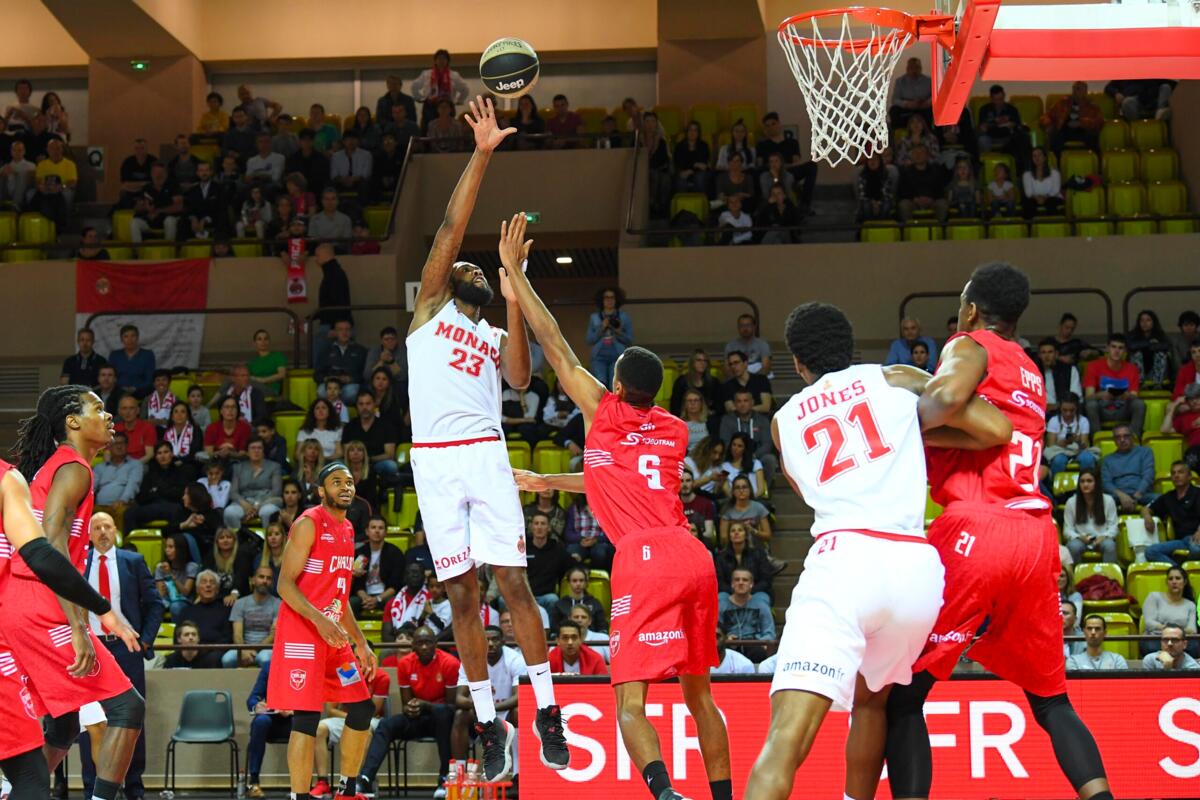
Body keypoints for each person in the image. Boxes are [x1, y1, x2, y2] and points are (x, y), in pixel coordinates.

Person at [504, 212, 731, 800]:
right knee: (699, 692)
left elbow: (553, 342)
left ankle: (664, 794)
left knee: (629, 700)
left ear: (618, 387)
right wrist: (552, 480)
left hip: (644, 559)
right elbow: (621, 481)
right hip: (693, 555)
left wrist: (514, 273)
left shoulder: (603, 412)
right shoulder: (676, 430)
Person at [743, 299, 1010, 799]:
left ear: (798, 363)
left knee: (785, 739)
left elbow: (807, 491)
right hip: (915, 570)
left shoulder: (782, 421)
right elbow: (996, 431)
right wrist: (914, 431)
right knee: (872, 703)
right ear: (852, 348)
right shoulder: (895, 377)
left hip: (845, 561)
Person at [882, 263, 1113, 800]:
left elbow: (941, 401)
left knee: (902, 695)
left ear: (970, 309)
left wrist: (896, 422)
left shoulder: (969, 345)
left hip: (976, 526)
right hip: (1034, 534)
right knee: (1052, 701)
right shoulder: (1031, 369)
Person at [403, 98, 567, 783]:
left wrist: (514, 292)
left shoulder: (494, 328)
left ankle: (547, 709)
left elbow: (524, 379)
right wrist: (482, 153)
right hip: (435, 463)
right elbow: (450, 224)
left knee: (514, 584)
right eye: (466, 267)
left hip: (484, 451)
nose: (467, 265)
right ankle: (489, 721)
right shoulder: (430, 307)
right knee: (463, 599)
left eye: (479, 268)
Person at [3, 386, 147, 800]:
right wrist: (80, 624)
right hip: (37, 600)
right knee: (127, 707)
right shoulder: (73, 467)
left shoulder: (60, 465)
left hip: (21, 602)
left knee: (64, 722)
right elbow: (50, 542)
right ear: (72, 421)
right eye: (98, 408)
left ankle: (15, 790)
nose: (109, 417)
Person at [266, 462, 378, 800]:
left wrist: (361, 642)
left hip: (333, 636)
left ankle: (347, 788)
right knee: (306, 716)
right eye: (335, 482)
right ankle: (299, 796)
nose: (345, 486)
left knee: (362, 707)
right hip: (303, 632)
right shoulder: (308, 524)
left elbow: (339, 598)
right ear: (320, 490)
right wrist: (319, 619)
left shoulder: (347, 530)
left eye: (349, 481)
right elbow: (284, 585)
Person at [74, 510, 161, 800]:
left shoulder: (132, 562)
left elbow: (155, 604)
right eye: (96, 527)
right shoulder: (78, 563)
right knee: (92, 722)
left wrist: (145, 641)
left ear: (116, 531)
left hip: (126, 648)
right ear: (88, 534)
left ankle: (134, 787)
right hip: (91, 649)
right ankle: (92, 789)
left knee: (131, 717)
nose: (102, 532)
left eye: (107, 526)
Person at [450, 625, 525, 771]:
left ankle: (518, 774)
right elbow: (459, 699)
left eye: (495, 639)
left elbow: (520, 697)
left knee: (519, 713)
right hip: (479, 716)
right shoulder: (470, 660)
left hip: (506, 714)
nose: (490, 643)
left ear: (503, 641)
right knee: (460, 715)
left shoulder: (515, 659)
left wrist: (490, 707)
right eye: (486, 640)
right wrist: (482, 706)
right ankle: (460, 772)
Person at [1084, 333, 1146, 437]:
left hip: (1122, 408)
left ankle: (1134, 439)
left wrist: (1127, 395)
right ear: (1107, 348)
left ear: (1125, 351)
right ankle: (1097, 439)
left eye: (1120, 348)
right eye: (1113, 347)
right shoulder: (1093, 366)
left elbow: (1134, 395)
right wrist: (1102, 394)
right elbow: (1088, 396)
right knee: (1091, 405)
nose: (1116, 351)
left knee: (1139, 404)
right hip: (1102, 408)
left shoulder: (1132, 368)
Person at [123, 442, 190, 530]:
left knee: (178, 511)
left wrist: (157, 490)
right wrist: (165, 490)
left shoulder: (181, 472)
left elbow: (181, 494)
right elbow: (141, 497)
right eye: (159, 453)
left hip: (172, 506)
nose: (163, 456)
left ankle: (172, 541)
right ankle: (132, 542)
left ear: (172, 454)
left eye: (166, 452)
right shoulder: (150, 474)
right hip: (152, 507)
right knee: (129, 513)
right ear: (156, 456)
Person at [223, 565, 281, 668]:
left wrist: (254, 650)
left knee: (264, 659)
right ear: (253, 580)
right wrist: (244, 651)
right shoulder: (240, 603)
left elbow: (274, 634)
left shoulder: (278, 604)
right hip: (243, 647)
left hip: (267, 648)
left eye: (268, 578)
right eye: (261, 577)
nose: (264, 581)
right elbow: (237, 634)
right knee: (227, 659)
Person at [1143, 463, 1200, 564]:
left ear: (1189, 476)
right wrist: (1147, 517)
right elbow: (1146, 508)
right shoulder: (1168, 497)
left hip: (1196, 537)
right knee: (1151, 551)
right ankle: (1180, 571)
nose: (1176, 475)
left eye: (1181, 472)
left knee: (1196, 549)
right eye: (1173, 473)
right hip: (1182, 540)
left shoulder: (1197, 493)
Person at [350, 515, 404, 617]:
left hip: (385, 596)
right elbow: (357, 584)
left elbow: (395, 585)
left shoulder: (395, 553)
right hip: (363, 596)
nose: (377, 531)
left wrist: (377, 599)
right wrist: (365, 598)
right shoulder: (359, 553)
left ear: (386, 532)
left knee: (394, 602)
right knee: (350, 603)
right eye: (373, 527)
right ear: (367, 531)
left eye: (380, 528)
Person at [225, 438, 283, 529]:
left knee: (268, 512)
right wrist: (244, 504)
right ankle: (238, 541)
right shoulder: (238, 467)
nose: (256, 451)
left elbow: (277, 491)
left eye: (259, 448)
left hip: (267, 501)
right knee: (230, 512)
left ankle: (269, 541)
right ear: (247, 451)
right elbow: (233, 492)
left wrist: (257, 505)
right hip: (244, 501)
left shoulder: (274, 467)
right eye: (252, 448)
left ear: (264, 451)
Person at [1063, 468, 1118, 564]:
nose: (1085, 484)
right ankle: (1074, 577)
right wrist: (1079, 537)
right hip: (1080, 539)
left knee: (1110, 546)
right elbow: (1067, 530)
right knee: (1072, 546)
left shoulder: (1108, 500)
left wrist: (1104, 536)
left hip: (1102, 538)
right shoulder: (1071, 502)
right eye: (1082, 481)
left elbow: (1114, 527)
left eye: (1089, 481)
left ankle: (1109, 578)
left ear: (1096, 483)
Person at [1100, 424, 1156, 513]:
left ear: (1132, 437)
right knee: (1099, 502)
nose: (1122, 440)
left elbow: (1148, 475)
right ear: (1114, 440)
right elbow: (1106, 483)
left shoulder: (1145, 452)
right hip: (1117, 496)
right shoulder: (1107, 459)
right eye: (1118, 437)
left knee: (1164, 500)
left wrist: (1137, 496)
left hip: (1142, 494)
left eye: (1126, 436)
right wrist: (1121, 496)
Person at [586, 287, 634, 389]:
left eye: (612, 297)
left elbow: (630, 340)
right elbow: (589, 340)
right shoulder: (594, 317)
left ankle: (613, 405)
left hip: (617, 354)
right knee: (600, 383)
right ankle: (602, 405)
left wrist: (619, 332)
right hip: (598, 355)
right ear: (602, 300)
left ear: (616, 300)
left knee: (615, 384)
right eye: (606, 297)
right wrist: (601, 327)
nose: (609, 300)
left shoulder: (624, 317)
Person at [718, 567, 775, 645]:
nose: (741, 583)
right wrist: (726, 639)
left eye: (745, 580)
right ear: (732, 584)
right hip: (729, 646)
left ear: (751, 584)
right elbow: (716, 631)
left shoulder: (761, 604)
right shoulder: (722, 604)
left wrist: (762, 644)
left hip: (755, 645)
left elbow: (769, 632)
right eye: (737, 580)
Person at [1045, 394, 1097, 476]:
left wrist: (1077, 441)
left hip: (1078, 450)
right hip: (1059, 450)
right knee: (1058, 460)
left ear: (1077, 408)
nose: (1068, 413)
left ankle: (1087, 484)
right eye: (1064, 410)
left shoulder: (1083, 421)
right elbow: (1051, 445)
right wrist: (1062, 443)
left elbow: (1085, 445)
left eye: (1072, 410)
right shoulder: (1054, 420)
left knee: (1087, 458)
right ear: (1060, 408)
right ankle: (1056, 486)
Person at [154, 531, 199, 620]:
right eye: (166, 547)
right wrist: (162, 590)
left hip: (184, 600)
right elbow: (160, 595)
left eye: (171, 547)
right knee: (155, 606)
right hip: (166, 600)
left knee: (175, 607)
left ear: (180, 549)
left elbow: (185, 592)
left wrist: (170, 574)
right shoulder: (161, 567)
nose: (167, 550)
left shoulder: (191, 567)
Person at [550, 565, 608, 633]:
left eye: (581, 580)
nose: (578, 584)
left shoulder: (595, 603)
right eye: (574, 581)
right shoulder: (560, 604)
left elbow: (602, 627)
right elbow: (554, 629)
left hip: (591, 641)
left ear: (586, 582)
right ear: (569, 583)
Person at [108, 324, 156, 400]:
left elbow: (150, 379)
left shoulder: (147, 355)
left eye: (133, 336)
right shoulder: (115, 355)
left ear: (137, 338)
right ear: (121, 339)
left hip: (142, 393)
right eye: (126, 336)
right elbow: (111, 377)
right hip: (118, 394)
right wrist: (122, 389)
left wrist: (135, 388)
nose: (130, 340)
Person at [670, 350, 721, 417]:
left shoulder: (714, 382)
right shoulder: (681, 381)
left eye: (705, 361)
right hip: (686, 419)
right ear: (692, 363)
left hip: (708, 420)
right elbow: (674, 407)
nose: (702, 363)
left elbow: (719, 407)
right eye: (699, 360)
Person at [889, 57, 933, 129]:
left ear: (920, 68)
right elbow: (895, 99)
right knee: (894, 111)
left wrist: (928, 102)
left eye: (917, 67)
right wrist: (906, 104)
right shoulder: (900, 81)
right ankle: (898, 134)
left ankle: (931, 135)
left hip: (924, 106)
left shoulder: (928, 81)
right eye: (912, 67)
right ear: (907, 68)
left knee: (934, 112)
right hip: (907, 107)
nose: (914, 70)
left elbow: (935, 96)